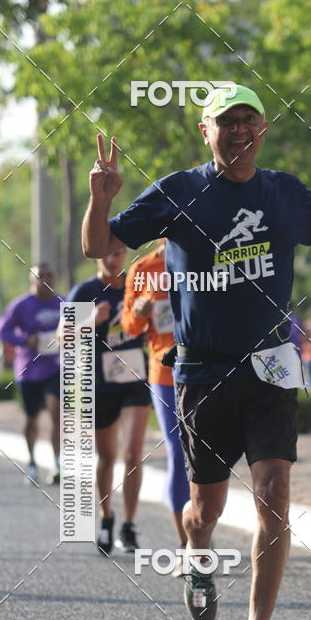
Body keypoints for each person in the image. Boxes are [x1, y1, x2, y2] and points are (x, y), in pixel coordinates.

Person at [81, 82, 311, 620]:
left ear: (264, 130)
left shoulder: (282, 192)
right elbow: (98, 244)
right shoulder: (178, 191)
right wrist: (100, 198)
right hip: (202, 373)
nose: (238, 131)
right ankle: (196, 556)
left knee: (274, 493)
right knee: (203, 508)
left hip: (272, 366)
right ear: (206, 131)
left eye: (248, 120)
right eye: (225, 121)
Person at [67, 248, 151, 554]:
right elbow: (64, 338)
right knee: (106, 457)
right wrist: (91, 319)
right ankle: (107, 517)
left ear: (125, 253)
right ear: (95, 256)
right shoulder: (84, 291)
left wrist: (146, 313)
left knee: (132, 453)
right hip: (100, 383)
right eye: (105, 253)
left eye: (117, 252)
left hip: (135, 379)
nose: (111, 258)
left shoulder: (137, 284)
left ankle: (129, 525)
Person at [121, 239, 190, 557]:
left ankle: (201, 526)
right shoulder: (142, 269)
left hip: (204, 369)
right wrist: (138, 312)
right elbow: (129, 326)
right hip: (163, 373)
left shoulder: (201, 254)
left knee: (206, 453)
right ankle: (184, 541)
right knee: (178, 451)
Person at [0, 264, 62, 485]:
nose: (46, 279)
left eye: (49, 275)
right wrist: (25, 340)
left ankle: (57, 462)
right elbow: (2, 331)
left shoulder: (62, 302)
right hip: (29, 371)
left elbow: (78, 327)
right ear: (32, 281)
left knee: (56, 413)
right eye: (40, 276)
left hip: (55, 368)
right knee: (32, 419)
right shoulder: (21, 305)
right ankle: (32, 462)